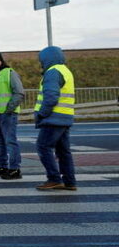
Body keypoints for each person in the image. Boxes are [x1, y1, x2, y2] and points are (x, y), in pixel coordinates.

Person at [33, 46, 77, 191]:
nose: (40, 63)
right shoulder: (66, 71)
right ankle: (70, 181)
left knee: (43, 146)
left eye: (41, 60)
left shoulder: (52, 72)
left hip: (53, 118)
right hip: (65, 117)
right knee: (63, 151)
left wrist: (41, 114)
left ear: (46, 58)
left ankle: (54, 179)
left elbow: (51, 97)